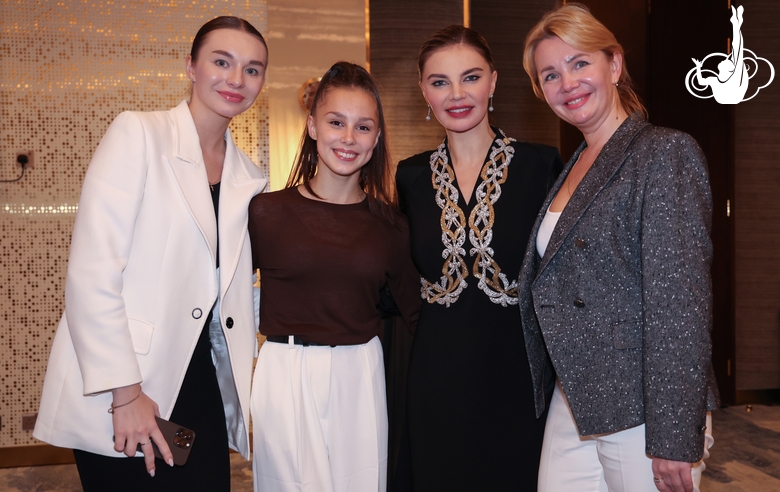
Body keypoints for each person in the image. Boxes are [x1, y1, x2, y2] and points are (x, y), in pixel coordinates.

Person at [33, 16, 268, 491]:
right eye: (222, 62)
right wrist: (126, 394)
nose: (236, 79)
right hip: (127, 381)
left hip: (201, 382)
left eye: (252, 69)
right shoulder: (138, 134)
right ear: (191, 67)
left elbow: (229, 293)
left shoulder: (251, 177)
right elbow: (92, 273)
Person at [520, 4, 719, 492]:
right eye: (550, 74)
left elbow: (680, 305)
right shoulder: (575, 163)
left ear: (614, 64)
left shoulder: (663, 152)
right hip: (576, 401)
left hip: (644, 407)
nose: (566, 83)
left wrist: (674, 437)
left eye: (579, 63)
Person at [395, 25, 563, 491]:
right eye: (439, 81)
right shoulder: (408, 176)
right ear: (424, 91)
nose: (456, 94)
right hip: (435, 382)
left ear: (493, 81)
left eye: (470, 77)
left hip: (518, 379)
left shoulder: (542, 166)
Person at [248, 61, 420, 492]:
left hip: (358, 373)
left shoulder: (391, 226)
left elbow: (420, 316)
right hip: (284, 372)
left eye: (363, 127)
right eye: (336, 122)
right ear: (311, 126)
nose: (348, 138)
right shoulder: (266, 212)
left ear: (377, 138)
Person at [692, 5, 748, 104]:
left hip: (731, 96)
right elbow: (737, 51)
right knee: (737, 52)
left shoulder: (720, 79)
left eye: (727, 61)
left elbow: (701, 82)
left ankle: (736, 24)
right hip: (730, 96)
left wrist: (698, 67)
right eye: (728, 60)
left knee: (737, 51)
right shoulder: (720, 79)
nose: (725, 59)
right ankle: (736, 24)